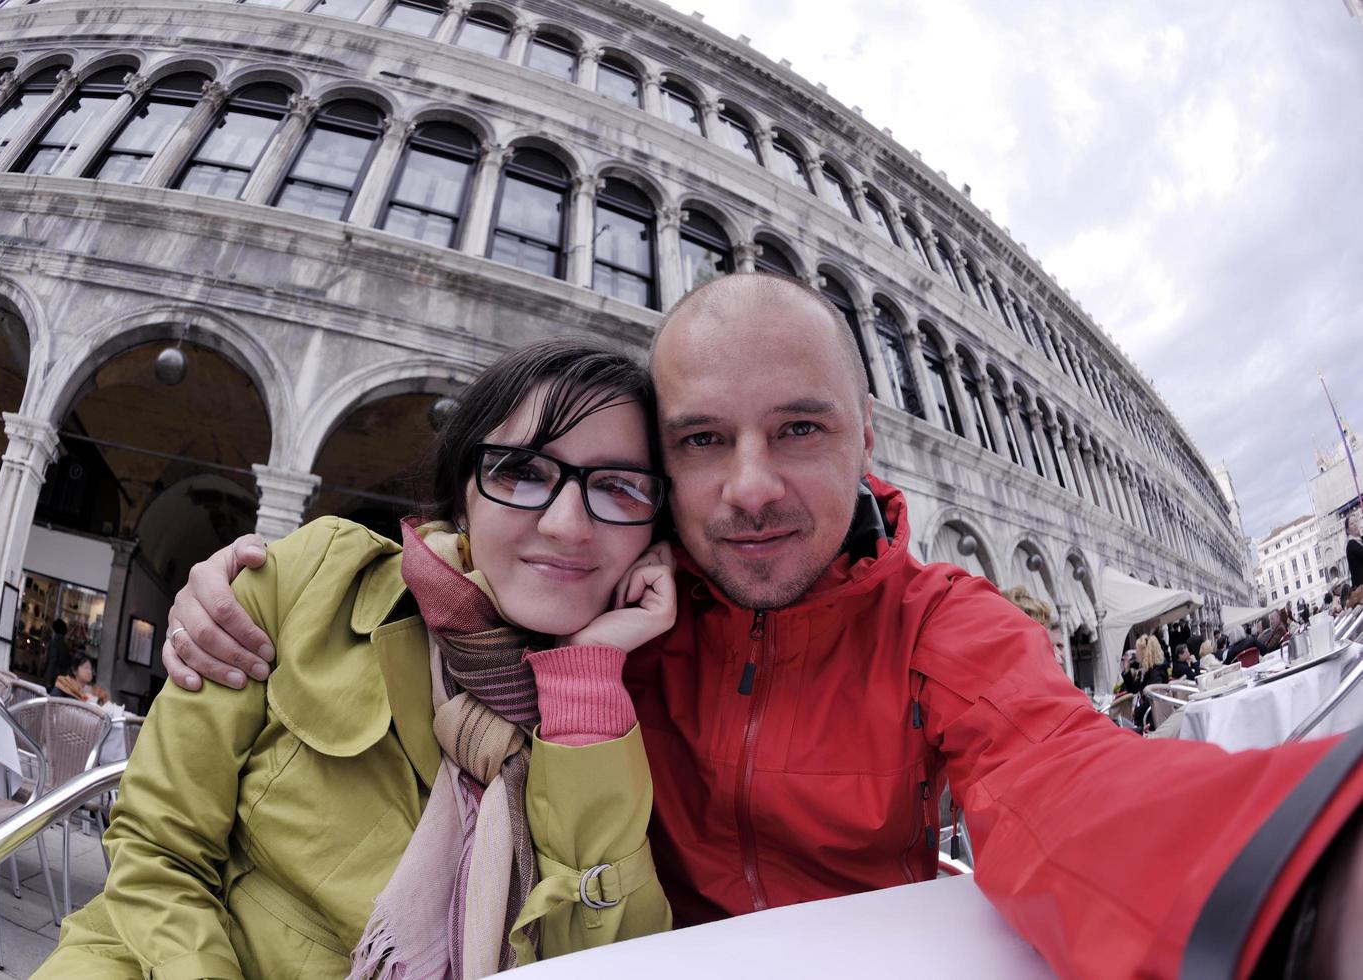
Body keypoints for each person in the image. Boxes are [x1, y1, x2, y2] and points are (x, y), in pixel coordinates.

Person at [166, 274, 1363, 977]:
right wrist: (244, 578)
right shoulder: (617, 598)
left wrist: (1301, 873)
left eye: (798, 429)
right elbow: (465, 557)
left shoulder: (941, 625)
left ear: (863, 443)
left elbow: (1063, 780)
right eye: (701, 441)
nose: (748, 487)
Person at [35, 341, 676, 979]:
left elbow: (611, 961)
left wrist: (585, 682)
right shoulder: (311, 580)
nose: (566, 524)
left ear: (655, 532)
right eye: (521, 471)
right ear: (462, 497)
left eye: (618, 487)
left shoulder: (640, 702)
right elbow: (157, 849)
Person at [41, 618, 70, 691]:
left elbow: (52, 661)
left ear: (55, 629)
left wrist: (48, 680)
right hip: (61, 678)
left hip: (52, 676)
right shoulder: (65, 646)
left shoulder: (54, 643)